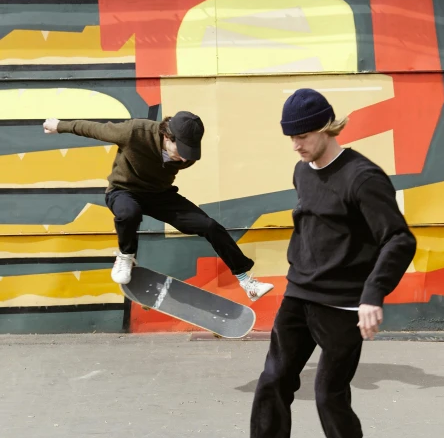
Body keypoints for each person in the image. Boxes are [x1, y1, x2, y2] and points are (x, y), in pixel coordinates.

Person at [244, 88, 417, 438]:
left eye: (302, 135)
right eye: (291, 137)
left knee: (329, 394)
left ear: (326, 127)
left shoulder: (363, 178)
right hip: (299, 296)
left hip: (342, 306)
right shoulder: (302, 171)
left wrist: (372, 295)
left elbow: (398, 239)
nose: (297, 144)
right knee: (273, 382)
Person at [42, 113, 273, 301]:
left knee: (209, 225)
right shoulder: (134, 132)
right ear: (166, 136)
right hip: (123, 190)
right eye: (180, 152)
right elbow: (93, 129)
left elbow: (182, 160)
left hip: (159, 195)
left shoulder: (187, 155)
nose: (183, 160)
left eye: (188, 155)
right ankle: (125, 256)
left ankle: (246, 280)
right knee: (128, 213)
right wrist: (59, 125)